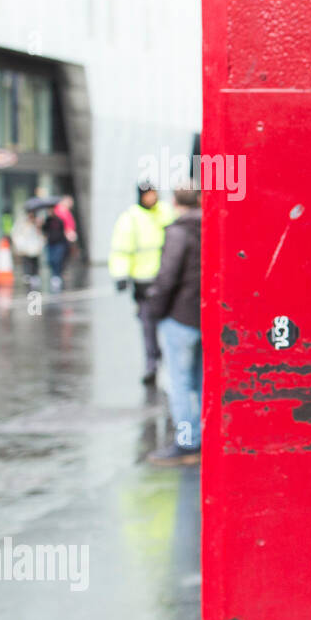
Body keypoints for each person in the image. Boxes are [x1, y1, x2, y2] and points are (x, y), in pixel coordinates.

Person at [146, 185, 203, 466]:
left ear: (174, 202)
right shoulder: (212, 228)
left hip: (180, 317)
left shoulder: (178, 232)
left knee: (179, 383)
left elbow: (167, 277)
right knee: (203, 381)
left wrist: (153, 310)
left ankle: (187, 441)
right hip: (205, 316)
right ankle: (206, 436)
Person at [109, 182, 175, 385]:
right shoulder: (130, 218)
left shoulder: (166, 212)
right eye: (148, 194)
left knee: (171, 325)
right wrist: (121, 275)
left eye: (154, 193)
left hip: (168, 279)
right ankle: (152, 362)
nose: (151, 198)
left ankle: (168, 365)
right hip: (143, 282)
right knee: (148, 325)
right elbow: (121, 249)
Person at [11, 211, 45, 290]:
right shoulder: (22, 224)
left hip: (34, 247)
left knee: (34, 261)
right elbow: (16, 234)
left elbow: (40, 235)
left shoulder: (36, 224)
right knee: (26, 261)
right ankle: (27, 275)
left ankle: (35, 275)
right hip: (26, 247)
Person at [40, 207, 69, 291]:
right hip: (51, 243)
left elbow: (63, 230)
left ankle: (57, 275)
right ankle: (54, 274)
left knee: (58, 259)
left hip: (59, 243)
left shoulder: (59, 220)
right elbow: (44, 230)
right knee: (51, 260)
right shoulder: (47, 221)